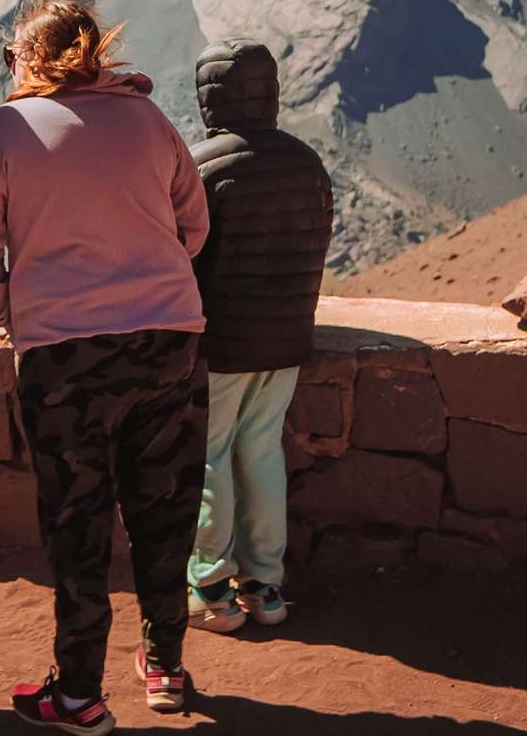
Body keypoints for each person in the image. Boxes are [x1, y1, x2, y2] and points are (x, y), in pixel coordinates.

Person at [0, 0, 211, 731]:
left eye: (12, 57)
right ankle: (165, 667)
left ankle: (77, 696)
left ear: (31, 58)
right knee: (164, 512)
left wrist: (13, 313)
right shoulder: (148, 119)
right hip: (168, 342)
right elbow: (193, 227)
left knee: (79, 523)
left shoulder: (8, 130)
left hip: (62, 357)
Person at [184, 39, 333, 633]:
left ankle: (212, 587)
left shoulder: (200, 166)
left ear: (208, 96)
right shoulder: (308, 162)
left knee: (212, 457)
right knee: (262, 450)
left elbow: (184, 260)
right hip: (288, 338)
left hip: (221, 345)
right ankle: (265, 586)